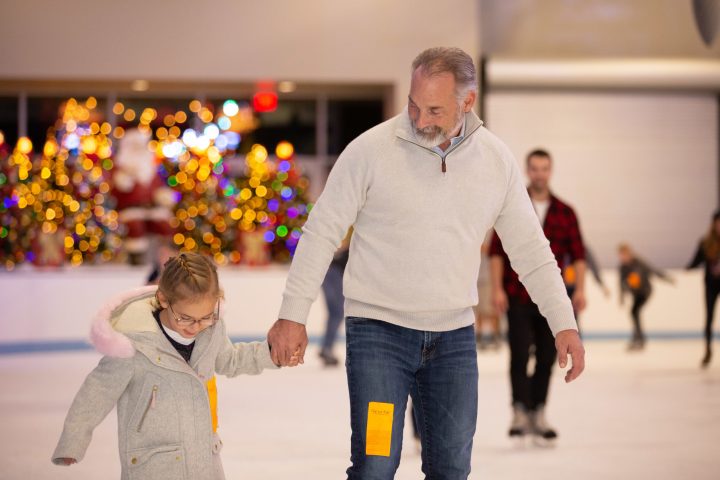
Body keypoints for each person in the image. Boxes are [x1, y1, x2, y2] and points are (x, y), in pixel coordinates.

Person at [267, 47, 585, 479]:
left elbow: (531, 250)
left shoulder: (495, 162)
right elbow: (320, 233)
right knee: (375, 466)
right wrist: (291, 315)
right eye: (414, 105)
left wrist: (563, 321)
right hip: (378, 334)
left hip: (452, 339)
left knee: (451, 468)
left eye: (434, 109)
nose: (419, 119)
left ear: (467, 102)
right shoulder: (370, 151)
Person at [51, 252, 296, 479]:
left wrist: (272, 354)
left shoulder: (211, 331)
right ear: (163, 299)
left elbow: (230, 359)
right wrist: (73, 441)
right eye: (185, 318)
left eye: (205, 317)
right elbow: (97, 392)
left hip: (203, 460)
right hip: (153, 464)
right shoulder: (134, 344)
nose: (195, 326)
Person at [490, 148, 587, 445]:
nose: (539, 173)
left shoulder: (565, 211)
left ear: (550, 170)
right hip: (517, 295)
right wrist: (496, 289)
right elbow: (496, 252)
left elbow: (578, 255)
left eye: (544, 168)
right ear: (527, 170)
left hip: (551, 302)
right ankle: (520, 411)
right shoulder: (514, 205)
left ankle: (538, 412)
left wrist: (581, 289)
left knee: (547, 357)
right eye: (534, 168)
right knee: (519, 355)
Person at [618, 243, 673, 351]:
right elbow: (621, 283)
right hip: (635, 294)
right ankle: (638, 338)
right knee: (634, 312)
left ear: (629, 253)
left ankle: (639, 338)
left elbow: (653, 270)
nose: (622, 258)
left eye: (624, 255)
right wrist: (622, 297)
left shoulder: (639, 262)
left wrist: (666, 278)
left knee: (634, 312)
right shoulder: (622, 267)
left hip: (645, 292)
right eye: (620, 255)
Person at [687, 210, 720, 368]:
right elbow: (696, 261)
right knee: (709, 318)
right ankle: (707, 350)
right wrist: (688, 267)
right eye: (718, 222)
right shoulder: (706, 243)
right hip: (711, 285)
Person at [319, 230, 351, 366]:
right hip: (333, 274)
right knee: (336, 313)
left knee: (335, 313)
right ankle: (327, 348)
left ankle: (327, 348)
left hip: (331, 273)